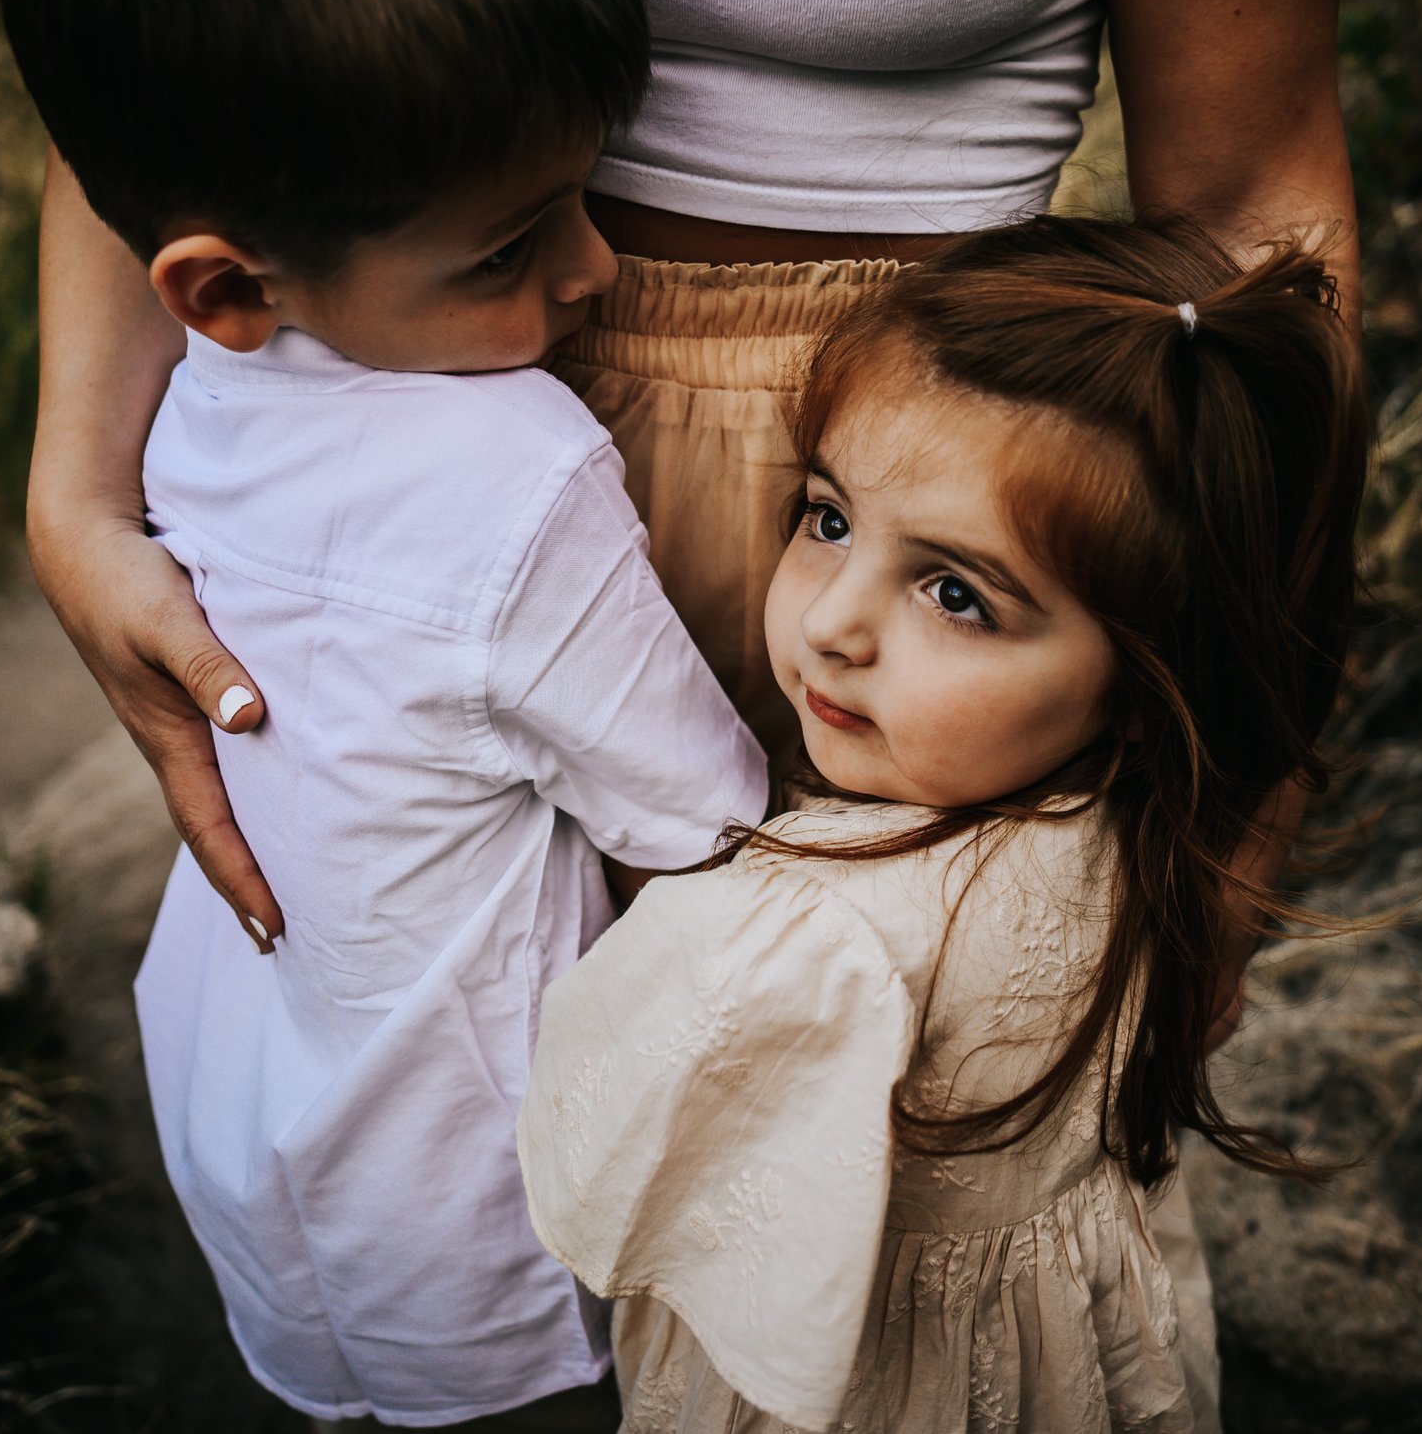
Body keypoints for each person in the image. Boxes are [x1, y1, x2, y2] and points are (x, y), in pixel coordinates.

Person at [27, 0, 1358, 1419]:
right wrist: (77, 498)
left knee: (895, 1241)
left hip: (917, 480)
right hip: (429, 486)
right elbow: (150, 57)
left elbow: (1254, 192)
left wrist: (1246, 764)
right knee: (511, 1136)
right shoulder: (456, 468)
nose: (582, 269)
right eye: (532, 234)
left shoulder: (833, 569)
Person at [0, 0, 767, 1426]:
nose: (592, 270)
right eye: (506, 250)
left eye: (585, 191)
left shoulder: (198, 399)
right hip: (485, 1201)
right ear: (226, 285)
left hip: (260, 1123)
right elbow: (701, 822)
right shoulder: (517, 475)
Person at [517, 215, 1370, 1431]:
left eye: (956, 593)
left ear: (1145, 679)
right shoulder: (1135, 829)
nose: (832, 624)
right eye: (827, 518)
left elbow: (599, 1160)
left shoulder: (802, 929)